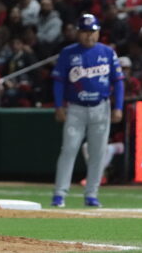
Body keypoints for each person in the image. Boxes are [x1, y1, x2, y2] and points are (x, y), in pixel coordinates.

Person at [50, 14, 123, 208]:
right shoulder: (68, 53)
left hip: (101, 107)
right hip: (75, 108)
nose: (89, 36)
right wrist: (59, 106)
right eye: (84, 32)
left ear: (98, 32)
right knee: (69, 149)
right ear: (78, 33)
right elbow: (58, 82)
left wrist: (118, 107)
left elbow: (118, 81)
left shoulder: (107, 52)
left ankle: (92, 193)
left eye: (92, 32)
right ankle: (59, 193)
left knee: (97, 152)